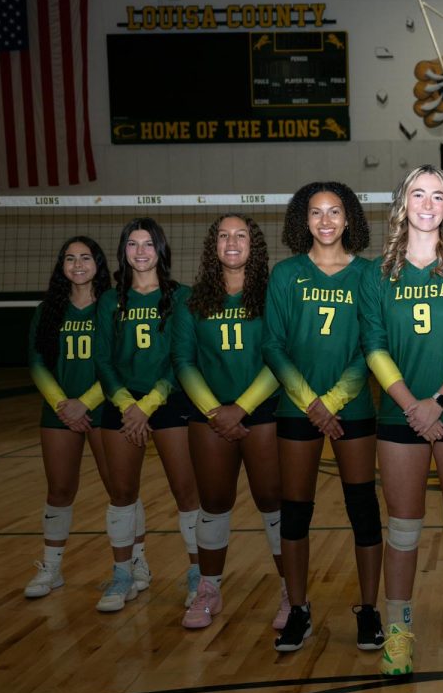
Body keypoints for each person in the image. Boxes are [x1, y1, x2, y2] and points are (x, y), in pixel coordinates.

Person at [360, 165, 443, 676]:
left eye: (437, 196)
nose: (427, 203)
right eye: (417, 194)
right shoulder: (378, 273)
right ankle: (398, 633)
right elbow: (373, 347)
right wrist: (409, 405)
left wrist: (435, 403)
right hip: (400, 418)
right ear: (402, 204)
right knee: (403, 531)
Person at [264, 181, 384, 653]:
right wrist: (310, 401)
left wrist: (331, 401)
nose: (327, 220)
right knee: (295, 512)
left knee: (364, 511)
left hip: (350, 409)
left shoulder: (370, 275)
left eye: (335, 211)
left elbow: (372, 346)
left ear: (349, 218)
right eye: (316, 213)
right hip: (296, 408)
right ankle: (298, 609)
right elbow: (272, 345)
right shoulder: (285, 274)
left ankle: (370, 609)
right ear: (303, 221)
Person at [172, 214, 286, 630]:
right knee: (214, 503)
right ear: (213, 246)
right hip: (209, 418)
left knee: (272, 502)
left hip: (264, 413)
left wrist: (242, 407)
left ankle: (291, 591)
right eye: (223, 236)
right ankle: (209, 588)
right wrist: (214, 411)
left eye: (240, 236)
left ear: (253, 245)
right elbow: (183, 363)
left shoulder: (273, 295)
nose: (232, 242)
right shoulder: (193, 301)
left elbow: (280, 355)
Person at [92, 218, 200, 613]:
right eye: (132, 244)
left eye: (148, 244)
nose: (140, 252)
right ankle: (125, 573)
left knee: (187, 494)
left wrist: (149, 405)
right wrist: (127, 405)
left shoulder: (181, 296)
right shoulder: (109, 301)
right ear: (123, 252)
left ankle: (198, 574)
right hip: (122, 403)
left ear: (161, 250)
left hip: (168, 399)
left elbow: (181, 357)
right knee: (121, 494)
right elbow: (102, 359)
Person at [24, 236, 112, 598]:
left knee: (120, 491)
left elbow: (121, 362)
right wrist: (64, 404)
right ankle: (51, 568)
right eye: (70, 258)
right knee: (59, 489)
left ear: (98, 264)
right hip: (59, 411)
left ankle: (134, 564)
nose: (78, 264)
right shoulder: (49, 310)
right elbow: (37, 362)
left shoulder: (112, 307)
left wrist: (86, 403)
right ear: (62, 267)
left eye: (85, 257)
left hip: (105, 407)